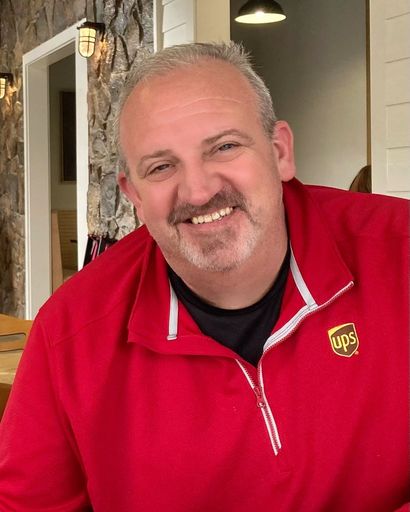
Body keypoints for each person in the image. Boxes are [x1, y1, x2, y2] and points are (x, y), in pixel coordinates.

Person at [0, 42, 408, 511]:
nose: (198, 191)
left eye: (225, 147)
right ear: (134, 194)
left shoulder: (400, 251)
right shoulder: (68, 334)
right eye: (161, 167)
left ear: (280, 152)